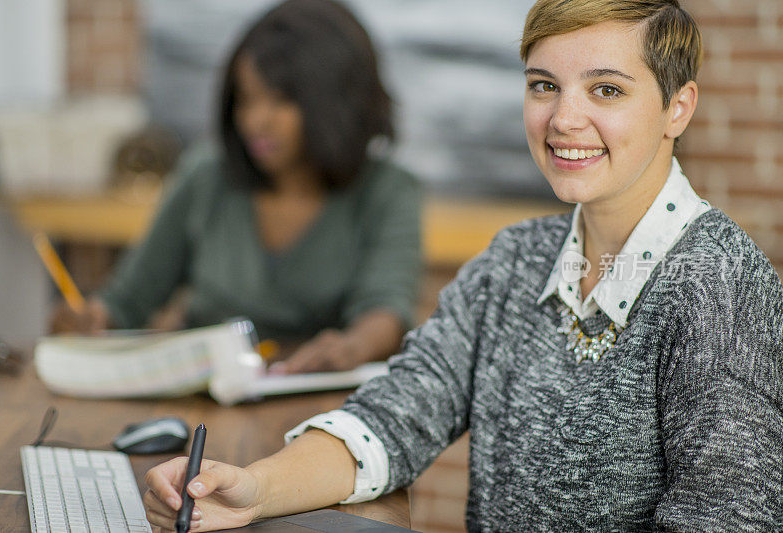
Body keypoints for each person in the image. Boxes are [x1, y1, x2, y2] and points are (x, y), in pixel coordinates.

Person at [143, 0, 783, 530]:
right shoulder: (513, 262)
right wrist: (251, 489)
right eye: (543, 85)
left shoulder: (721, 285)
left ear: (678, 106)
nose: (563, 119)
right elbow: (392, 420)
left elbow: (725, 519)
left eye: (606, 89)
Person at [50, 0, 422, 374]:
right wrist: (93, 318)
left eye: (279, 100)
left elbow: (386, 310)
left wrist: (352, 347)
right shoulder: (207, 175)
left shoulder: (388, 191)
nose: (255, 120)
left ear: (336, 99)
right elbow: (130, 297)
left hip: (323, 405)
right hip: (202, 401)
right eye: (245, 100)